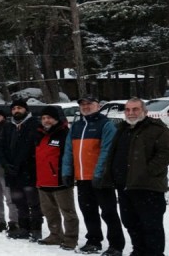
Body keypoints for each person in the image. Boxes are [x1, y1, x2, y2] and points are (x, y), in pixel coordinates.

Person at [101, 98, 169, 256]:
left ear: (145, 111)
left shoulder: (157, 129)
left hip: (148, 187)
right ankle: (139, 251)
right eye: (128, 110)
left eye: (135, 109)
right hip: (124, 186)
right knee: (131, 223)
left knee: (151, 225)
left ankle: (154, 253)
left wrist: (147, 172)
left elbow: (167, 153)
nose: (131, 113)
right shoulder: (121, 128)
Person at [62, 95, 124, 255]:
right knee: (88, 212)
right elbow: (68, 151)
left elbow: (107, 151)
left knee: (109, 212)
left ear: (98, 106)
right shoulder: (76, 126)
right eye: (83, 104)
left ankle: (116, 245)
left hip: (101, 179)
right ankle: (94, 240)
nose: (86, 106)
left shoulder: (105, 125)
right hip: (82, 179)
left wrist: (99, 174)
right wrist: (67, 171)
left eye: (90, 103)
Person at [34, 106, 79, 251]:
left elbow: (70, 157)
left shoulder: (64, 134)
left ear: (56, 119)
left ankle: (71, 238)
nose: (46, 120)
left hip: (60, 181)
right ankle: (55, 234)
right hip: (43, 180)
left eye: (49, 118)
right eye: (44, 118)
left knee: (68, 212)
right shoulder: (39, 134)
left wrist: (68, 175)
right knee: (49, 211)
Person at [4, 100, 43, 241]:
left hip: (29, 170)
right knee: (19, 202)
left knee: (33, 202)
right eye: (13, 108)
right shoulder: (9, 126)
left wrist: (20, 162)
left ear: (26, 109)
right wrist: (6, 164)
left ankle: (36, 229)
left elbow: (33, 147)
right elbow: (1, 147)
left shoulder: (34, 124)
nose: (16, 110)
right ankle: (24, 228)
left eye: (19, 108)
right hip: (12, 172)